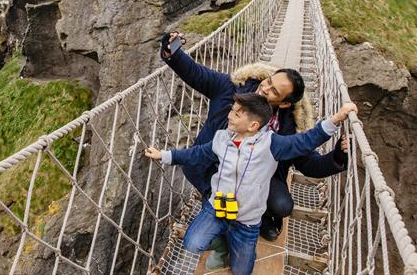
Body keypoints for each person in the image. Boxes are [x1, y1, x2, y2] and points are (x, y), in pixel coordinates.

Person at [160, 32, 349, 252]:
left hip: (259, 180)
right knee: (211, 233)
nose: (264, 89)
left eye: (274, 92)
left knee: (282, 205)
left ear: (285, 104)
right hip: (217, 173)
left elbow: (310, 165)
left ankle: (263, 217)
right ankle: (215, 202)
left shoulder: (289, 129)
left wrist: (337, 156)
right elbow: (195, 73)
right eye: (268, 81)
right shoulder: (230, 89)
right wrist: (172, 52)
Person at [145, 93, 357, 275]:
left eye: (237, 113)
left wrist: (337, 118)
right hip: (217, 209)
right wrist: (164, 155)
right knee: (192, 243)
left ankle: (237, 245)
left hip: (247, 220)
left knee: (242, 271)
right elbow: (197, 153)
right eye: (232, 110)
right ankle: (221, 243)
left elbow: (305, 141)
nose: (229, 115)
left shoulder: (272, 144)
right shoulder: (222, 138)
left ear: (254, 125)